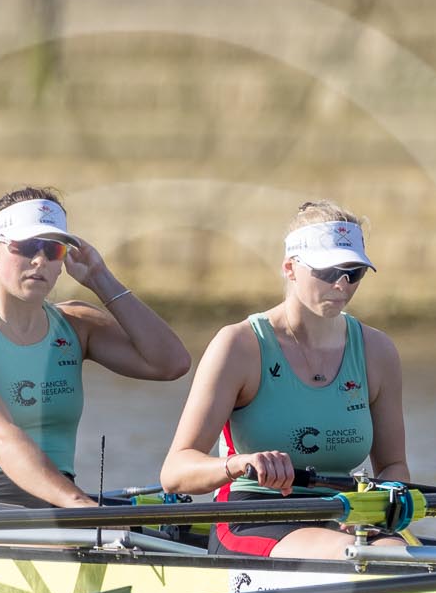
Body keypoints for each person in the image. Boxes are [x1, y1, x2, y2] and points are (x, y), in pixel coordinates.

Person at [160, 202, 411, 558]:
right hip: (253, 515)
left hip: (344, 517)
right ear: (290, 268)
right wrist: (238, 464)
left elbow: (392, 466)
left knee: (400, 555)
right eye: (328, 270)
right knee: (362, 555)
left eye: (354, 272)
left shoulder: (377, 351)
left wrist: (380, 503)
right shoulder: (240, 345)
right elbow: (176, 471)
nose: (342, 282)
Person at [0, 187, 189, 508]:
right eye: (25, 247)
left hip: (58, 505)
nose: (39, 260)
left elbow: (171, 363)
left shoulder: (76, 324)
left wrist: (100, 278)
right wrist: (80, 504)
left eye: (53, 250)